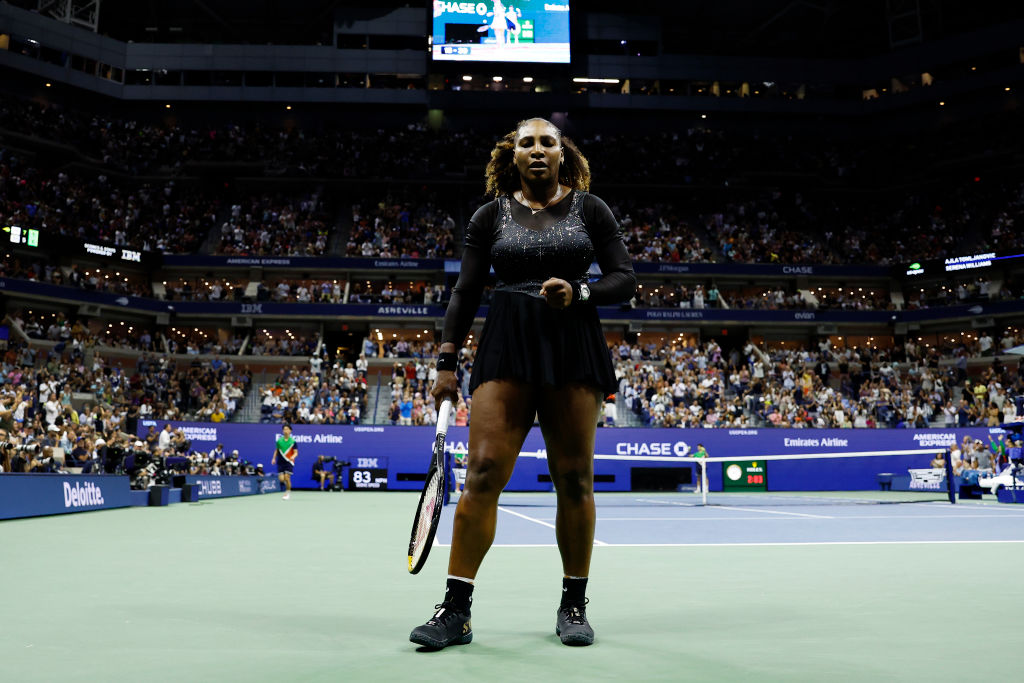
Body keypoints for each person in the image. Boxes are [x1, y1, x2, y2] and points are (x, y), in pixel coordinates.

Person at [409, 117, 636, 650]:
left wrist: (580, 292)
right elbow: (466, 291)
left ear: (562, 154)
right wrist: (445, 363)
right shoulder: (489, 214)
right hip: (506, 341)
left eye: (547, 142)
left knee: (574, 478)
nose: (537, 149)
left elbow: (624, 278)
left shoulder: (591, 208)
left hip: (573, 342)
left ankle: (573, 604)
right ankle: (455, 611)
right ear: (512, 155)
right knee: (484, 472)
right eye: (527, 143)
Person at [271, 424, 298, 500]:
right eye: (284, 429)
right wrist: (273, 458)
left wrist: (292, 457)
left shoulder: (293, 441)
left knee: (287, 477)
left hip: (289, 462)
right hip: (280, 462)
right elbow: (276, 450)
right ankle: (288, 485)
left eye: (287, 429)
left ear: (290, 431)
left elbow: (296, 453)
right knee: (281, 479)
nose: (285, 431)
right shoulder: (279, 441)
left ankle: (287, 492)